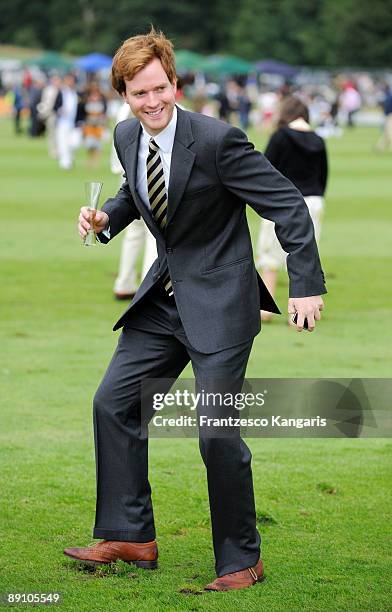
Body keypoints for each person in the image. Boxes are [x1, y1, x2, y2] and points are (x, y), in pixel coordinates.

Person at [66, 29, 326, 592]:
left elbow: (288, 206)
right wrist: (107, 217)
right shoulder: (126, 135)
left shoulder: (217, 139)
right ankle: (130, 536)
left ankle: (241, 561)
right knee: (113, 404)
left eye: (160, 89)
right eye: (139, 94)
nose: (152, 102)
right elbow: (139, 192)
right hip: (163, 301)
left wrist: (305, 285)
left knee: (216, 434)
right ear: (124, 95)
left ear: (175, 84)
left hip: (224, 304)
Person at [256, 96, 328, 322]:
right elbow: (323, 176)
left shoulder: (280, 137)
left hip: (282, 201)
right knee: (305, 253)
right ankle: (299, 313)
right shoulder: (318, 139)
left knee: (269, 254)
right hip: (313, 201)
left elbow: (264, 169)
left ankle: (265, 309)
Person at [111, 101, 157, 299]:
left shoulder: (124, 107)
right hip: (148, 175)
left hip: (125, 174)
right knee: (154, 235)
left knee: (133, 234)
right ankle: (149, 289)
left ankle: (124, 283)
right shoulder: (159, 107)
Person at [81, 81, 108, 167]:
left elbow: (104, 113)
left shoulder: (102, 100)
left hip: (98, 125)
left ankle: (96, 162)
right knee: (89, 144)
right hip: (89, 124)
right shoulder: (86, 99)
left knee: (97, 144)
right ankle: (89, 160)